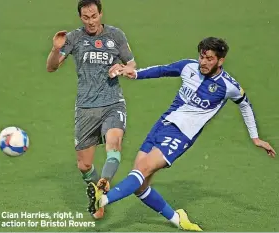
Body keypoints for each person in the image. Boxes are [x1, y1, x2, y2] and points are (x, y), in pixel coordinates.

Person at [86, 37, 276, 230]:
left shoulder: (228, 86)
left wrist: (255, 137)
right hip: (162, 124)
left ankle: (102, 201)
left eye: (209, 58)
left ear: (220, 60)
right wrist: (134, 73)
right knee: (140, 185)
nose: (203, 62)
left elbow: (245, 104)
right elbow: (162, 70)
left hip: (182, 135)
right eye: (201, 57)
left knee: (141, 172)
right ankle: (178, 219)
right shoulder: (189, 66)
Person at [46, 0, 136, 219]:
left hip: (113, 102)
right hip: (86, 107)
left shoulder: (116, 35)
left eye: (94, 16)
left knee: (114, 144)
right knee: (84, 164)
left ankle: (104, 183)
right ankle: (97, 194)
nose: (91, 21)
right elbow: (51, 67)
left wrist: (123, 68)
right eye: (86, 17)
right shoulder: (75, 38)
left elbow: (132, 64)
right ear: (80, 17)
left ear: (100, 14)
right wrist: (56, 49)